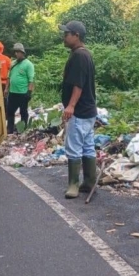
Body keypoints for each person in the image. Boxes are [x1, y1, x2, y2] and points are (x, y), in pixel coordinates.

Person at [59, 21, 97, 199]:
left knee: (74, 147)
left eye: (67, 34)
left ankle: (73, 185)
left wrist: (71, 106)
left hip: (80, 110)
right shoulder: (85, 54)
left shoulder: (79, 57)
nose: (64, 37)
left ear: (76, 35)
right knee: (88, 146)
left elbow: (78, 84)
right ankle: (89, 182)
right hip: (89, 110)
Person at [5, 43, 35, 134]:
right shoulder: (13, 63)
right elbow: (9, 77)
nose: (16, 54)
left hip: (22, 93)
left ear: (22, 52)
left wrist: (29, 92)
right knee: (10, 112)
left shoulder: (28, 64)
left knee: (23, 112)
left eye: (18, 52)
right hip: (12, 92)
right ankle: (10, 129)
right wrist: (6, 88)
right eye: (15, 52)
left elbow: (31, 80)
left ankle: (23, 129)